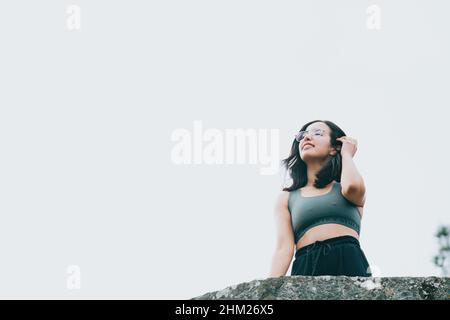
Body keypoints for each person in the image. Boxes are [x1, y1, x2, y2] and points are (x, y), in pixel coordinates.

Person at [269, 120, 372, 277]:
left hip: (349, 259)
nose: (307, 138)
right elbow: (284, 248)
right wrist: (268, 291)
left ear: (334, 147)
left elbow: (353, 187)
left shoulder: (345, 187)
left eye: (317, 133)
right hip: (306, 264)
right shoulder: (287, 197)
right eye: (302, 136)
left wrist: (346, 153)